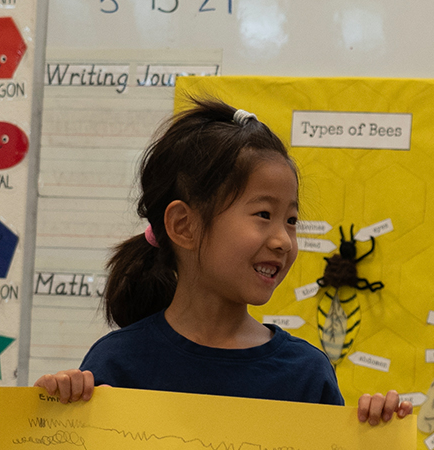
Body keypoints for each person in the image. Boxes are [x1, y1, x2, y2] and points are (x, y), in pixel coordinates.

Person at [34, 98, 412, 426]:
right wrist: (58, 413)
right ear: (184, 225)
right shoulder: (118, 363)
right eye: (264, 214)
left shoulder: (306, 375)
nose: (283, 240)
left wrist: (372, 435)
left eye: (292, 220)